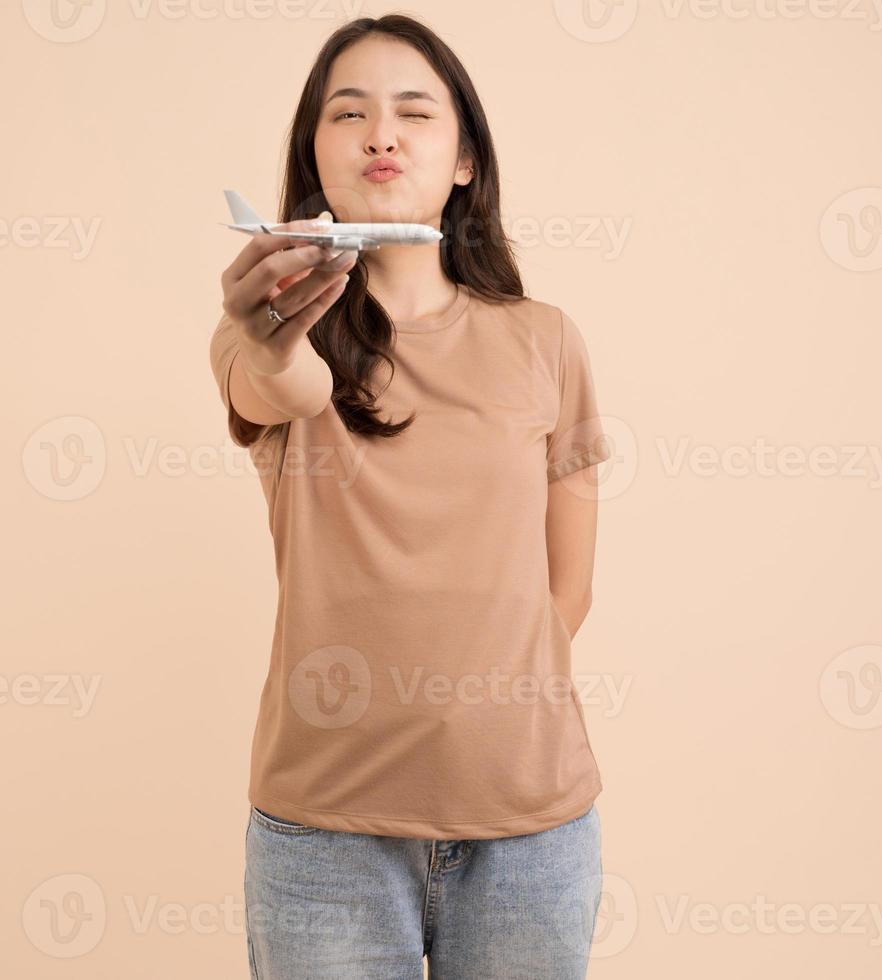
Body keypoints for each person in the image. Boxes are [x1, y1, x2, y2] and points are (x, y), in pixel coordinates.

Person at [209, 14, 613, 980]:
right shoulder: (262, 336)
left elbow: (570, 590)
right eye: (349, 113)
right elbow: (286, 386)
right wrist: (268, 331)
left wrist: (489, 713)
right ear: (316, 153)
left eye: (413, 113)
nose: (381, 135)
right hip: (325, 838)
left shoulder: (546, 340)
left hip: (530, 833)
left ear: (465, 157)